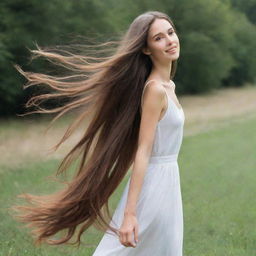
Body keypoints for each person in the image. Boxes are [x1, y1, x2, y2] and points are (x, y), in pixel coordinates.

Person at [12, 11, 185, 255]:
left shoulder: (169, 86)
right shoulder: (155, 89)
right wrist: (130, 214)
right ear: (146, 49)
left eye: (170, 32)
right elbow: (143, 150)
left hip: (168, 182)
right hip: (155, 186)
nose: (170, 41)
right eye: (158, 38)